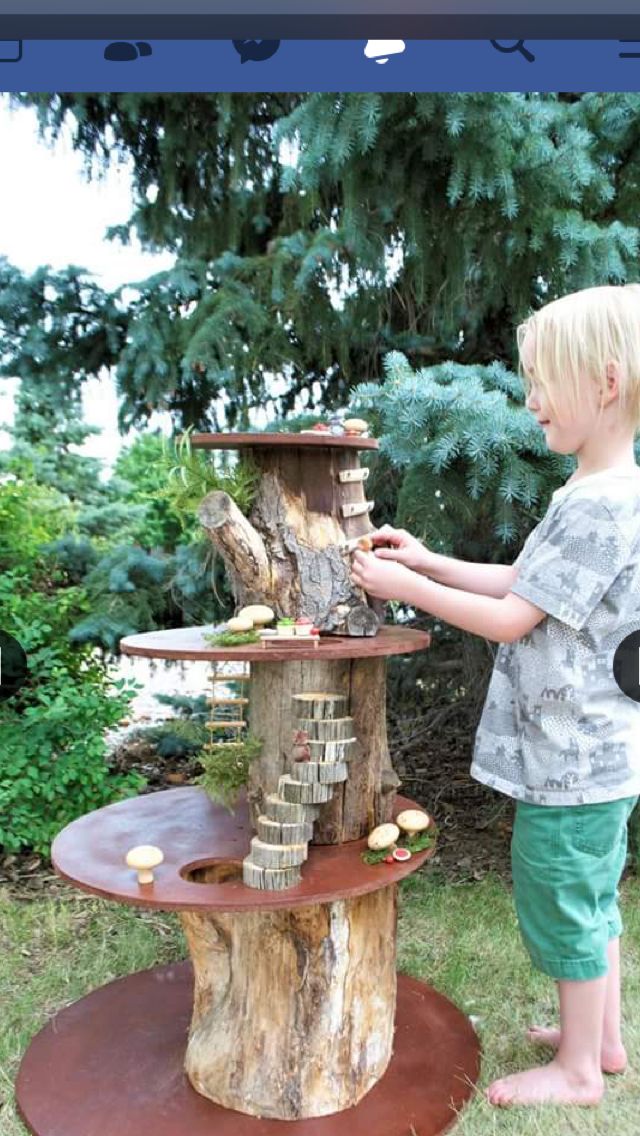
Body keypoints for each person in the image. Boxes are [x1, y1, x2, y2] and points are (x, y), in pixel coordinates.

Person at [350, 283, 640, 1108]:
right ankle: (602, 1040)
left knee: (563, 900)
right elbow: (528, 581)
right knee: (590, 897)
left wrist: (403, 587)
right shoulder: (601, 493)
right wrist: (431, 561)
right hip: (595, 755)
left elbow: (512, 618)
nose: (531, 400)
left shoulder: (602, 504)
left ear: (606, 382)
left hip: (574, 759)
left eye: (543, 380)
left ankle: (579, 1072)